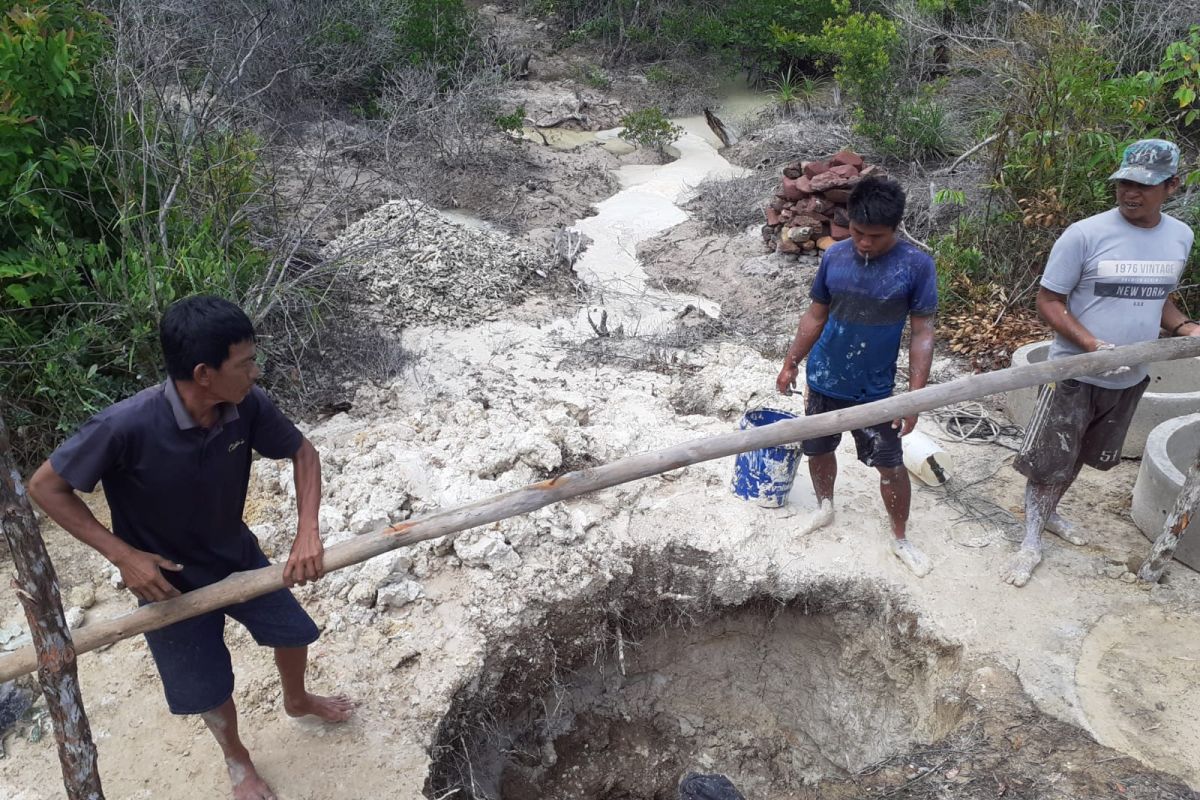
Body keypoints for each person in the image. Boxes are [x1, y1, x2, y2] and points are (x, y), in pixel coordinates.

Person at [28, 295, 354, 800]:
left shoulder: (246, 406)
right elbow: (45, 487)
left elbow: (303, 452)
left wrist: (307, 530)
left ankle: (297, 699)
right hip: (168, 585)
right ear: (205, 373)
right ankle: (238, 760)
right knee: (206, 687)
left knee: (294, 631)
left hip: (237, 557)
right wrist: (124, 555)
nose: (256, 371)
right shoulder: (124, 426)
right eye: (245, 362)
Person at [1003, 139, 1199, 587]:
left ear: (1172, 185)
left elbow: (1160, 297)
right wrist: (1091, 344)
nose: (1131, 193)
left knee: (1078, 458)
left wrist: (1185, 327)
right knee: (1050, 458)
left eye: (1144, 186)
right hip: (1074, 372)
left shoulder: (1179, 236)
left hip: (1131, 375)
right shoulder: (1085, 234)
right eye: (1125, 183)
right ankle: (1031, 537)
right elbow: (1049, 301)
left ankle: (1049, 515)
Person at [776, 176, 938, 576]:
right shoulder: (835, 257)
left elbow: (922, 333)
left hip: (876, 390)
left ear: (896, 229)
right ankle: (825, 507)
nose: (864, 243)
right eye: (858, 233)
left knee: (891, 465)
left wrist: (915, 396)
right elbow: (816, 315)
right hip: (826, 377)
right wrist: (792, 361)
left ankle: (900, 536)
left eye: (876, 236)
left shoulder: (915, 266)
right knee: (818, 448)